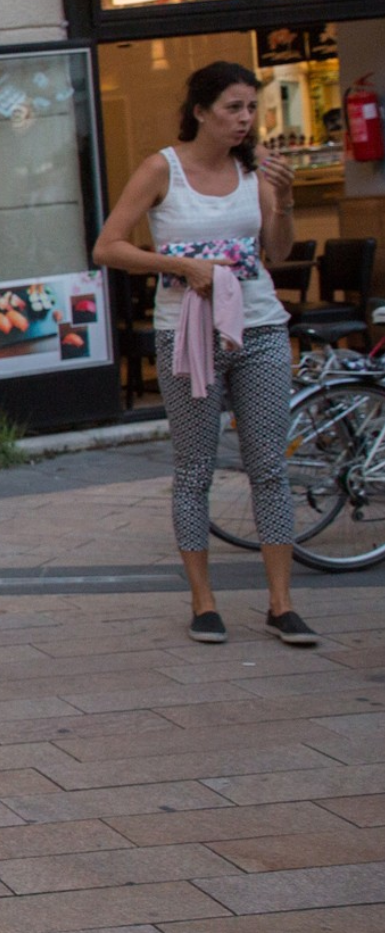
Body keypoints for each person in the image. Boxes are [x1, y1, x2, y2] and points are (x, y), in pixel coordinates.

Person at [93, 60, 316, 647]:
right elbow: (107, 247)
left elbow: (276, 251)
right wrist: (179, 264)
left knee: (269, 467)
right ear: (200, 111)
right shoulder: (161, 169)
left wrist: (285, 202)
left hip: (259, 327)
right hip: (187, 334)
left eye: (251, 108)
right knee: (194, 469)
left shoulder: (255, 170)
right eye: (233, 108)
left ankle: (281, 604)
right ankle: (203, 602)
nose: (245, 119)